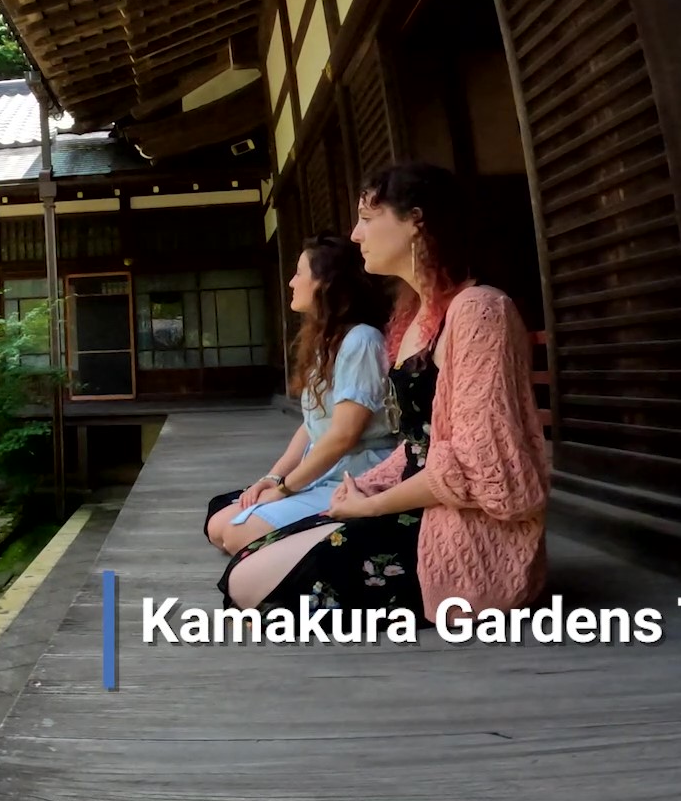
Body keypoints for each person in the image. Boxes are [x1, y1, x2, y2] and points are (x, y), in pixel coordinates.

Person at [220, 162, 550, 622]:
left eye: (368, 218)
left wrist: (370, 504)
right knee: (246, 564)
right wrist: (362, 490)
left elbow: (481, 465)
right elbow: (416, 445)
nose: (356, 234)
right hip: (411, 498)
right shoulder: (411, 318)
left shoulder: (479, 312)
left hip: (459, 522)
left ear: (417, 221)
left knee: (251, 584)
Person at [204, 234, 393, 555]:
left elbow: (343, 436)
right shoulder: (328, 342)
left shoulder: (361, 340)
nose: (292, 282)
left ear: (325, 284)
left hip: (356, 475)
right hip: (323, 470)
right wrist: (273, 477)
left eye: (299, 273)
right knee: (217, 526)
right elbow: (311, 425)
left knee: (238, 534)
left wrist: (285, 489)